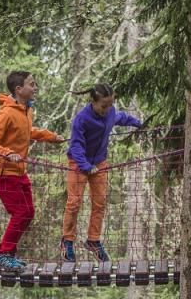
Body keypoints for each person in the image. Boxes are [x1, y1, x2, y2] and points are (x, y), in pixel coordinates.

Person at [0, 71, 65, 270]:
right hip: (3, 171)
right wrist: (7, 153)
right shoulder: (6, 113)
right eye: (32, 84)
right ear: (19, 89)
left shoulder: (26, 110)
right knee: (21, 212)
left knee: (28, 212)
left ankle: (2, 253)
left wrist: (50, 137)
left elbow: (28, 131)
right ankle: (4, 254)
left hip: (19, 170)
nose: (35, 87)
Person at [60, 83, 142, 262]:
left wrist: (137, 123)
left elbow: (121, 117)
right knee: (74, 202)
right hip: (78, 162)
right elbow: (76, 145)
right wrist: (86, 166)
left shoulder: (110, 112)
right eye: (104, 105)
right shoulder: (82, 118)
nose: (108, 109)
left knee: (100, 202)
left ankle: (93, 240)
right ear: (94, 102)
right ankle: (67, 241)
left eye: (111, 104)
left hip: (99, 162)